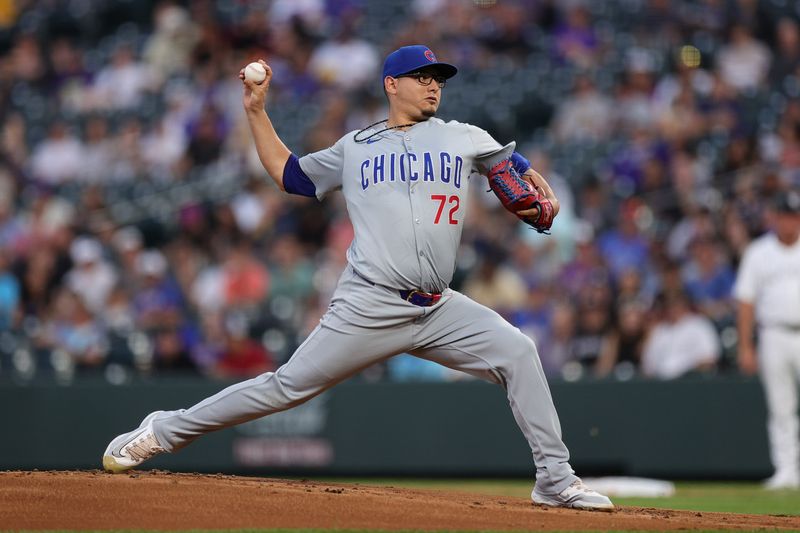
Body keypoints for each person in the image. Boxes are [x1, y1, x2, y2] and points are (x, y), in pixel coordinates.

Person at [102, 45, 613, 511]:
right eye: (421, 76)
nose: (434, 85)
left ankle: (554, 479)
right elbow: (291, 176)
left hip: (438, 307)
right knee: (285, 388)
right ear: (391, 84)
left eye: (438, 78)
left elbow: (510, 166)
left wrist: (529, 182)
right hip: (369, 304)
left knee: (518, 352)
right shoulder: (356, 146)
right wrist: (257, 112)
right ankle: (163, 430)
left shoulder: (464, 137)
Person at [734, 192, 800, 490]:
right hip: (773, 332)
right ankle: (786, 470)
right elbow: (746, 301)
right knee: (781, 406)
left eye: (794, 215)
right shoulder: (759, 252)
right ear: (776, 217)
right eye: (785, 214)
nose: (790, 220)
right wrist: (746, 345)